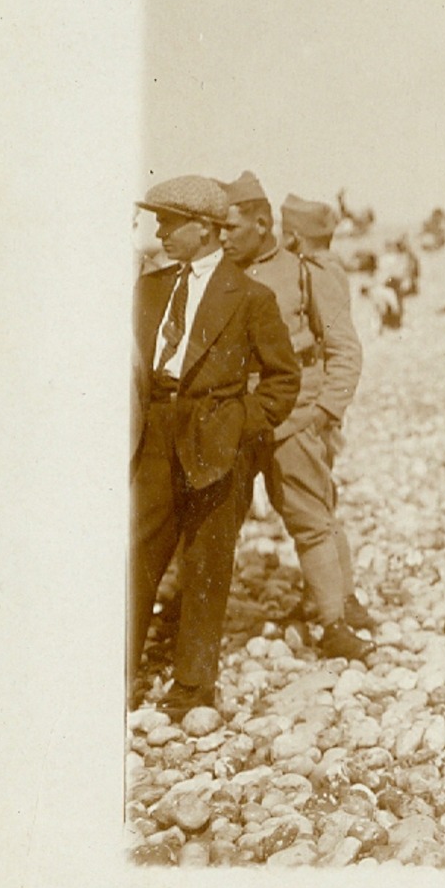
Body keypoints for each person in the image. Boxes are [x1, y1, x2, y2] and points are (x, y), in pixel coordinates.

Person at [130, 175, 300, 719]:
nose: (159, 232)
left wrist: (236, 425)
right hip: (153, 433)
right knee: (136, 554)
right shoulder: (149, 288)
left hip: (214, 438)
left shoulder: (251, 296)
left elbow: (283, 381)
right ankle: (111, 672)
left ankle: (193, 684)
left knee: (206, 561)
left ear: (203, 230)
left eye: (168, 222)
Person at [221, 174, 374, 660]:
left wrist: (326, 411)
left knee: (311, 514)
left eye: (232, 227)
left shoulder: (305, 271)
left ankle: (333, 621)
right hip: (242, 412)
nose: (224, 237)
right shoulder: (224, 270)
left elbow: (343, 346)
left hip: (298, 412)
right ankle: (337, 600)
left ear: (265, 224)